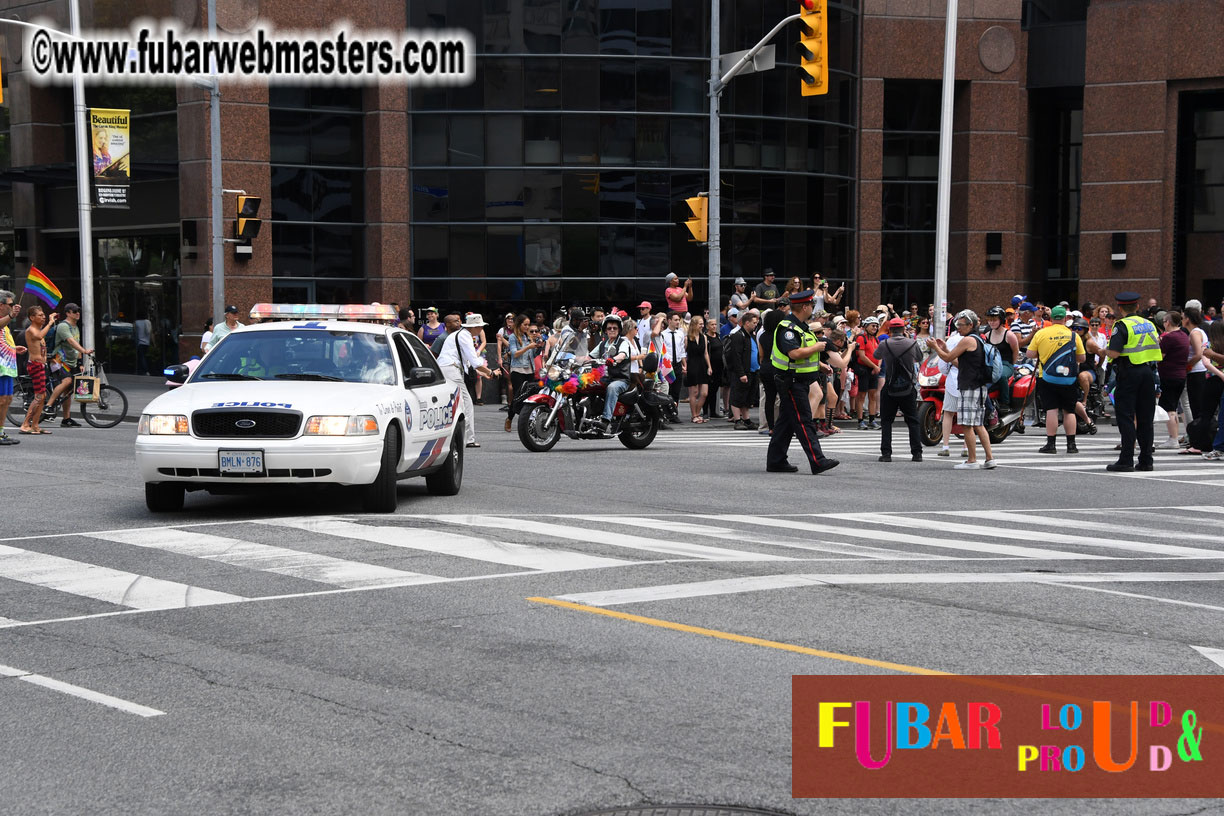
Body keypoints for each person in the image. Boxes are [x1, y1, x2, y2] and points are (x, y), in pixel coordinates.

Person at [766, 290, 839, 475]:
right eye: (811, 306)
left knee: (786, 423)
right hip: (791, 382)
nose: (813, 309)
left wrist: (819, 365)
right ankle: (818, 461)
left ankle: (776, 461)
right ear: (804, 307)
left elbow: (804, 354)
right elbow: (794, 353)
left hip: (798, 380)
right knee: (804, 420)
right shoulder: (788, 328)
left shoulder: (800, 326)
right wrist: (817, 347)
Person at [931, 310, 997, 469]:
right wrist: (945, 349)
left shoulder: (967, 340)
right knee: (978, 424)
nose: (958, 328)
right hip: (979, 386)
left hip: (970, 386)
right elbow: (959, 363)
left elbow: (947, 359)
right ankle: (989, 458)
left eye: (960, 325)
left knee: (967, 425)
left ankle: (972, 460)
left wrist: (935, 347)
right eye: (957, 325)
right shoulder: (978, 340)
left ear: (970, 325)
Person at [1105, 291, 1162, 472]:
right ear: (1137, 306)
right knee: (1145, 418)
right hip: (1148, 372)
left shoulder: (1121, 325)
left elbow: (1113, 353)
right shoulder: (1149, 323)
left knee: (1126, 417)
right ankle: (1146, 460)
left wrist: (1101, 351)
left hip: (1129, 373)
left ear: (1120, 308)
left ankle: (1126, 459)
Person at [1027, 305, 1087, 454]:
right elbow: (1082, 358)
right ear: (1066, 319)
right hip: (1068, 378)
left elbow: (1029, 354)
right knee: (1069, 410)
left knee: (1051, 409)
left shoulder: (1041, 334)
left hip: (1047, 377)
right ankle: (1071, 445)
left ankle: (1051, 444)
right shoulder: (1074, 335)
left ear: (1051, 318)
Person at [436, 312, 494, 448]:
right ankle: (469, 439)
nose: (481, 329)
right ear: (472, 327)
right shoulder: (465, 336)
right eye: (479, 326)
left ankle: (451, 436)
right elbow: (474, 362)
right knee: (466, 403)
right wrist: (490, 372)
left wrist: (483, 373)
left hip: (447, 369)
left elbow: (468, 362)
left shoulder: (461, 335)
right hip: (450, 369)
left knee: (452, 404)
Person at [875, 317, 924, 462]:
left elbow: (876, 355)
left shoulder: (885, 344)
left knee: (886, 421)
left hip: (889, 387)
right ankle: (917, 453)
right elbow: (919, 357)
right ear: (903, 329)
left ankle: (886, 454)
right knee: (913, 420)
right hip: (908, 387)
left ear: (890, 330)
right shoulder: (912, 343)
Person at [45, 303, 94, 429]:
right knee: (67, 381)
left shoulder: (75, 327)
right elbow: (71, 342)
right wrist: (84, 351)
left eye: (78, 311)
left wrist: (79, 363)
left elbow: (75, 346)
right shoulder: (63, 326)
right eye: (75, 311)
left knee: (68, 391)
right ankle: (48, 405)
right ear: (68, 313)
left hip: (71, 362)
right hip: (58, 360)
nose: (78, 313)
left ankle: (66, 419)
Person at [586, 314, 632, 431]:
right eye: (609, 328)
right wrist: (572, 360)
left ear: (619, 330)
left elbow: (622, 354)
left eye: (615, 328)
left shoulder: (623, 342)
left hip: (620, 379)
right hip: (604, 378)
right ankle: (588, 415)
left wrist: (614, 359)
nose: (612, 330)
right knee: (586, 385)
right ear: (605, 330)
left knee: (612, 388)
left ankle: (605, 421)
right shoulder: (603, 344)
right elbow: (589, 357)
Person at [19, 304, 56, 435]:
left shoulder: (39, 329)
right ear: (32, 317)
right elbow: (39, 337)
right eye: (40, 315)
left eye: (44, 315)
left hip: (41, 365)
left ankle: (35, 425)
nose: (43, 317)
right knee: (39, 396)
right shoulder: (31, 330)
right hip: (35, 365)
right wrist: (51, 323)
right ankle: (25, 424)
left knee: (43, 395)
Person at [1156, 310, 1190, 449]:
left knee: (1169, 408)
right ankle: (1174, 437)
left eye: (1164, 321)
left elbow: (1160, 356)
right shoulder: (1183, 335)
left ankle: (1173, 438)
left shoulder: (1169, 338)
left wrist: (1157, 344)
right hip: (1180, 375)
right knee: (1174, 406)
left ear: (1168, 322)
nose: (1163, 324)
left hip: (1169, 375)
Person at [0, 292, 26, 445]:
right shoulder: (4, 321)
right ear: (1, 305)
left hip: (7, 365)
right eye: (10, 304)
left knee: (7, 399)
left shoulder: (5, 325)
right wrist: (11, 315)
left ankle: (1, 432)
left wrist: (14, 348)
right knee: (2, 399)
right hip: (1, 367)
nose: (13, 306)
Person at [726, 311, 758, 430]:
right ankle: (737, 419)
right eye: (754, 323)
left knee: (747, 397)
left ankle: (746, 419)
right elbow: (736, 356)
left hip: (753, 371)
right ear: (747, 323)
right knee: (737, 396)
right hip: (742, 372)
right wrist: (741, 373)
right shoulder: (738, 335)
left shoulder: (751, 335)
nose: (755, 324)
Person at [852, 316, 882, 429]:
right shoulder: (861, 338)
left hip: (874, 370)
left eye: (876, 326)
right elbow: (862, 356)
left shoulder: (876, 339)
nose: (875, 328)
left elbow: (880, 354)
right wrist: (875, 366)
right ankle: (860, 421)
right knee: (862, 395)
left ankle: (872, 419)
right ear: (866, 327)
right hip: (864, 369)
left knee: (873, 395)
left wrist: (877, 366)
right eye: (872, 326)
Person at [684, 315, 712, 422]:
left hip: (702, 365)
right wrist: (684, 366)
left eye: (702, 324)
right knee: (694, 393)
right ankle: (694, 415)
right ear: (694, 325)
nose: (702, 326)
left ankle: (697, 412)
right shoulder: (687, 338)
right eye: (700, 324)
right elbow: (684, 353)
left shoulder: (703, 337)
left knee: (704, 393)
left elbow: (705, 353)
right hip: (692, 365)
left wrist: (709, 366)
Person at [660, 311, 687, 418]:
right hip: (667, 364)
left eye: (678, 320)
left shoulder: (680, 334)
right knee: (667, 390)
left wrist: (684, 364)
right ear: (669, 321)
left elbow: (681, 351)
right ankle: (666, 413)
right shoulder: (663, 334)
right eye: (675, 320)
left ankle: (674, 413)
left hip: (677, 364)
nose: (677, 322)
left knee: (676, 390)